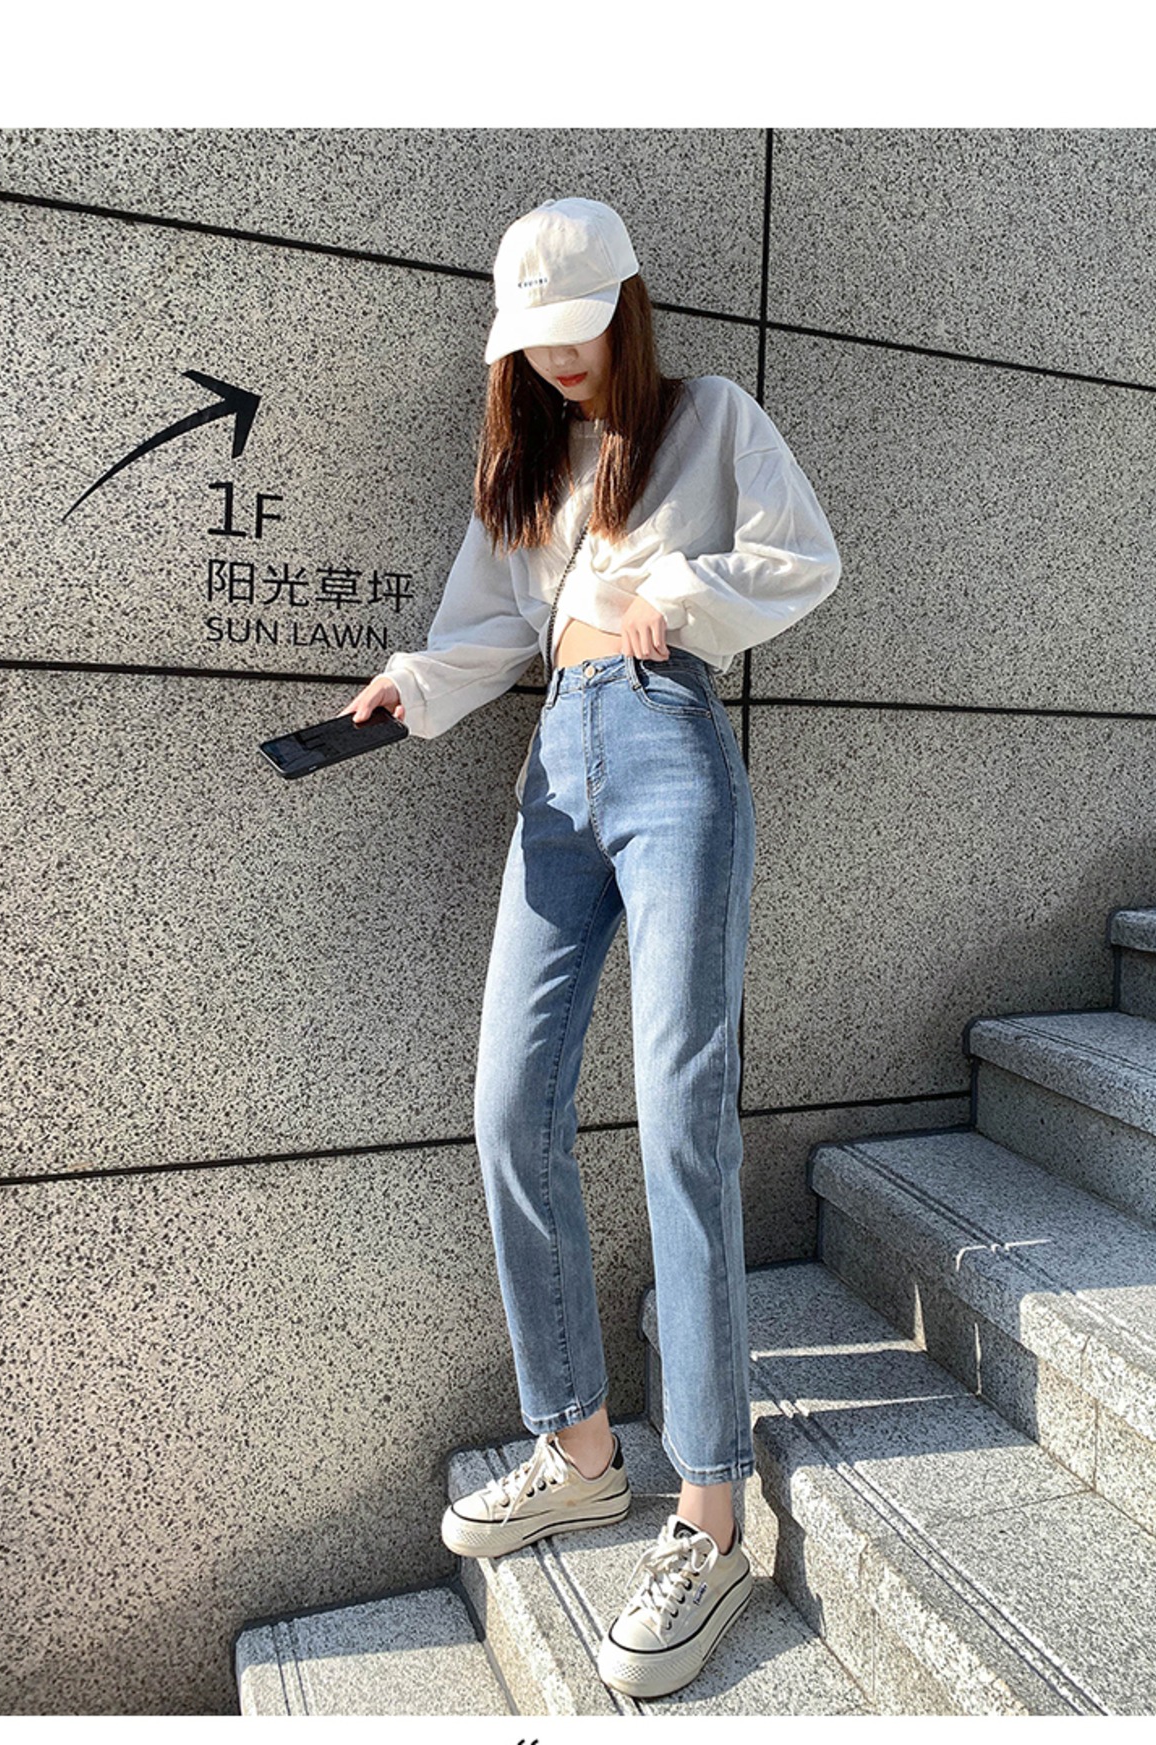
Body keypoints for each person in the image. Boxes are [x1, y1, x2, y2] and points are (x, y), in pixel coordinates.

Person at [340, 197, 841, 1699]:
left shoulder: (713, 417)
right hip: (555, 772)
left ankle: (712, 1510)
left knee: (681, 1108)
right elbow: (488, 629)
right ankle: (577, 1448)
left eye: (574, 332)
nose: (555, 362)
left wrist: (667, 599)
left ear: (624, 306)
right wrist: (414, 687)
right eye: (533, 341)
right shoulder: (533, 464)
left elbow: (803, 558)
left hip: (672, 746)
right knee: (510, 1104)